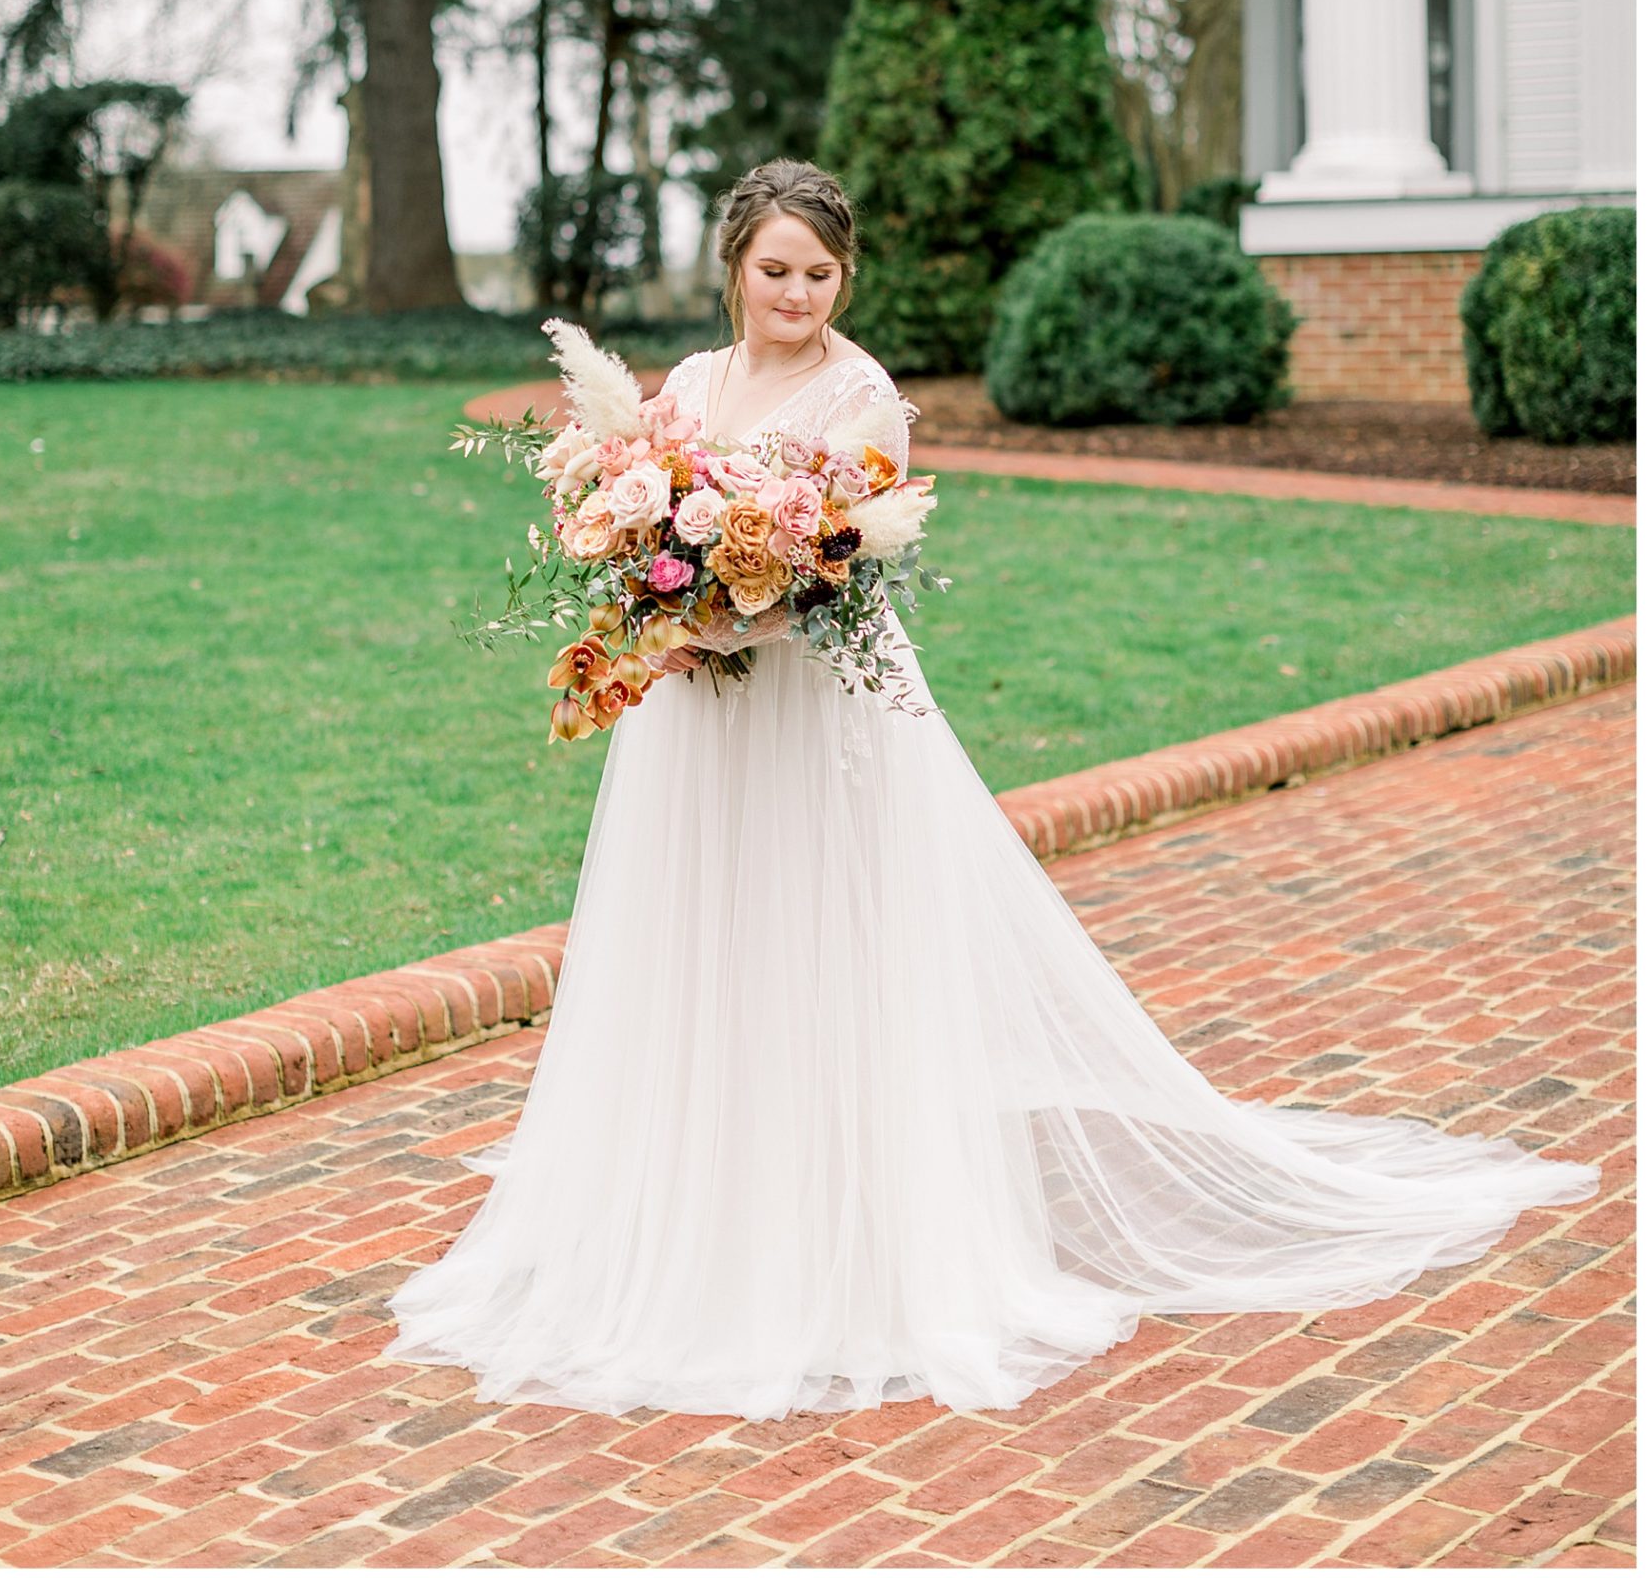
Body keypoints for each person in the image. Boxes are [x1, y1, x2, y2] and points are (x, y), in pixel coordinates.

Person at [383, 158, 1599, 1421]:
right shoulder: (688, 388)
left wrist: (733, 617)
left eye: (819, 272)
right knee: (708, 945)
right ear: (735, 263)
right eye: (774, 268)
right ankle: (709, 1194)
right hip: (698, 724)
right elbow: (646, 525)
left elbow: (843, 571)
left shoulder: (864, 397)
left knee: (824, 949)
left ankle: (842, 1243)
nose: (795, 291)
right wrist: (660, 606)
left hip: (816, 717)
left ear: (844, 278)